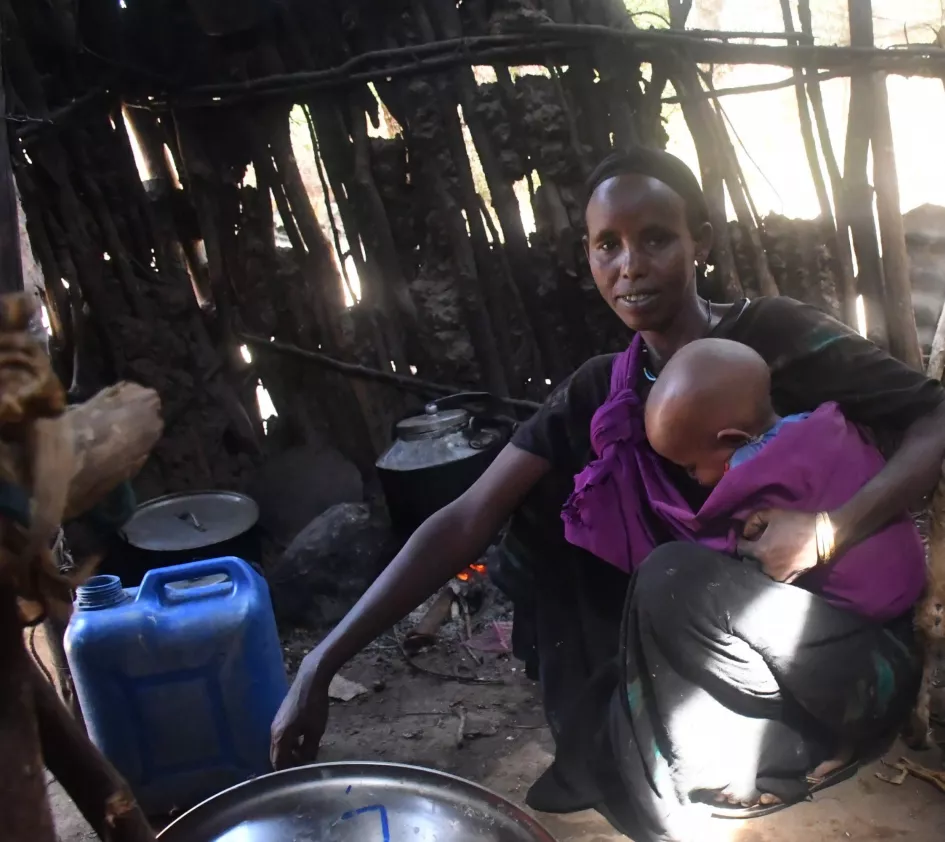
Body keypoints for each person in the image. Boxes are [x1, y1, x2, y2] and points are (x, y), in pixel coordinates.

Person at [270, 148, 945, 841]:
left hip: (844, 659)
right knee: (555, 512)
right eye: (607, 246)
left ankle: (719, 765)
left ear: (700, 242)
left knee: (672, 577)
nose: (630, 266)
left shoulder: (774, 338)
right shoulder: (604, 392)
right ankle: (704, 757)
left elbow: (935, 414)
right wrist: (321, 663)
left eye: (655, 239)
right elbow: (468, 517)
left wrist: (831, 529)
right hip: (722, 658)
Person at [641, 337, 925, 622]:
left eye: (691, 467)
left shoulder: (746, 476)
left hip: (861, 608)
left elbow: (711, 540)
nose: (693, 478)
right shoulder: (828, 422)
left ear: (732, 439)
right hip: (912, 574)